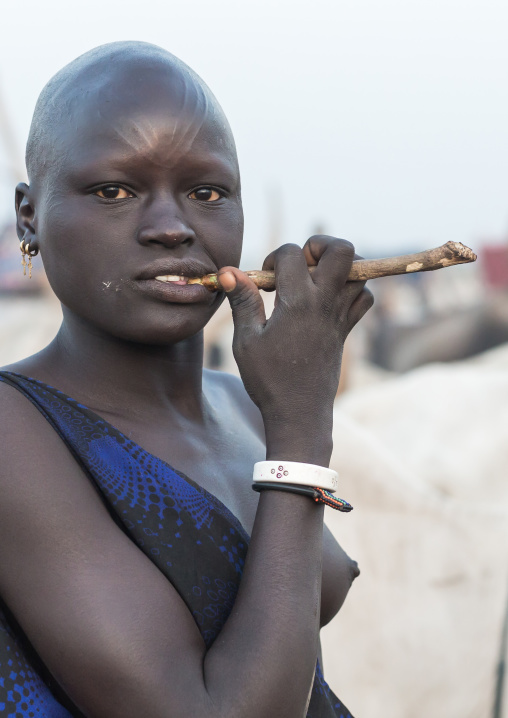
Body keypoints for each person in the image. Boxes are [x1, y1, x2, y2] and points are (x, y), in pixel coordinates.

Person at [0, 41, 373, 718]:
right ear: (29, 214)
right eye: (114, 190)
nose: (173, 227)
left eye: (207, 192)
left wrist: (287, 415)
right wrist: (299, 432)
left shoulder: (244, 404)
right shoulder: (15, 431)